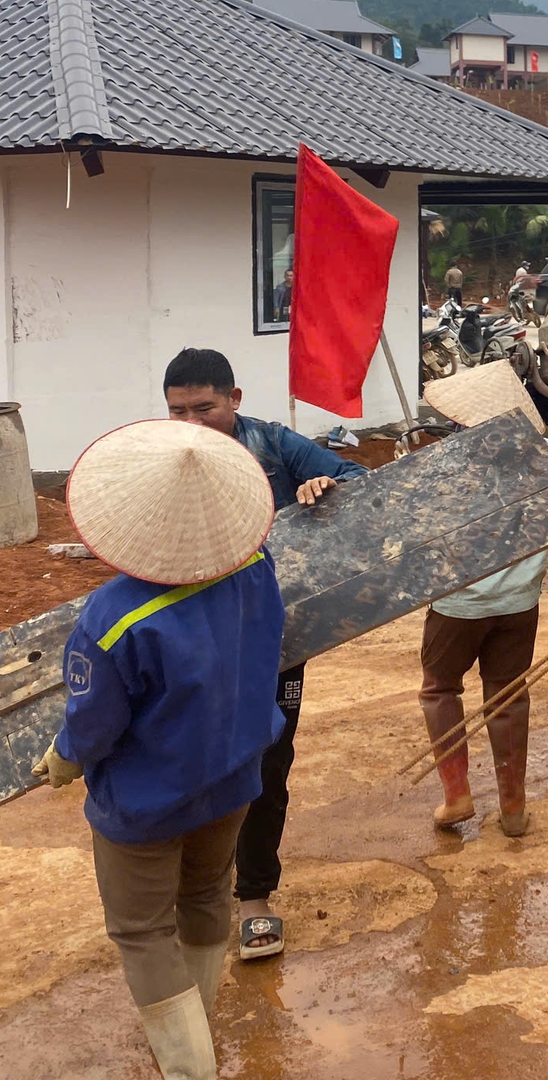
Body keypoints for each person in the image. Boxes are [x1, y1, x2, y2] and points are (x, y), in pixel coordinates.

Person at [36, 418, 283, 1080]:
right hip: (234, 776)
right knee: (206, 892)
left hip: (147, 802)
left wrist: (64, 757)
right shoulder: (256, 564)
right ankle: (195, 1036)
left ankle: (189, 1068)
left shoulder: (114, 616)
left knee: (142, 931)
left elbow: (94, 723)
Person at [161, 347, 366, 962]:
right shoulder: (155, 458)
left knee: (266, 764)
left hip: (273, 640)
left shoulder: (275, 446)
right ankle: (196, 894)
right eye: (178, 411)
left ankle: (254, 900)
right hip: (190, 637)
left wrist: (324, 485)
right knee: (189, 764)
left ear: (235, 401)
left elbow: (360, 482)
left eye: (205, 408)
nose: (192, 424)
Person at [417, 361, 548, 838]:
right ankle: (513, 809)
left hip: (457, 606)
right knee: (508, 696)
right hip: (520, 601)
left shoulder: (445, 467)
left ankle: (457, 797)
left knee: (440, 689)